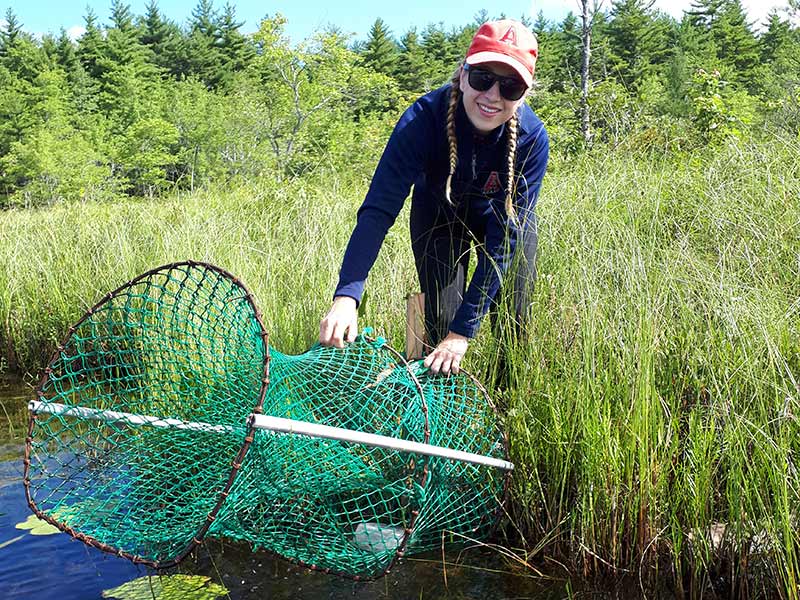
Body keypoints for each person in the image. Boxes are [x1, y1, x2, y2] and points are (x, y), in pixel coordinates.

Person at [319, 19, 549, 375]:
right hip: (439, 218)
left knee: (513, 320)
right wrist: (347, 296)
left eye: (510, 86)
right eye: (483, 78)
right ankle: (443, 406)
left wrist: (464, 333)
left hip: (502, 223)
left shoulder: (532, 140)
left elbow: (504, 239)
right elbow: (378, 210)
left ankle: (506, 406)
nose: (492, 96)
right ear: (462, 73)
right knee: (441, 320)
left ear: (523, 95)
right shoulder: (421, 121)